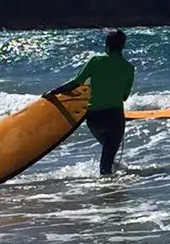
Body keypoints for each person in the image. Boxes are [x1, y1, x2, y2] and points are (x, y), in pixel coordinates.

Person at [45, 29, 135, 176]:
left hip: (94, 118)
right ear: (122, 46)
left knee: (107, 152)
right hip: (114, 117)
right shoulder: (129, 68)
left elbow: (76, 82)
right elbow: (124, 96)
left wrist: (54, 92)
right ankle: (107, 190)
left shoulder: (95, 61)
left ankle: (108, 181)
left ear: (107, 45)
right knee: (108, 156)